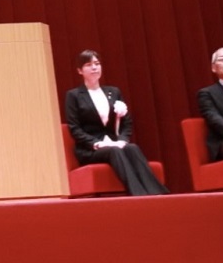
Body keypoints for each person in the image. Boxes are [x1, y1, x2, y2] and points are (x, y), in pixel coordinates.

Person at [64, 50, 168, 196]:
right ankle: (138, 194)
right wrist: (97, 143)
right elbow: (75, 128)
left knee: (131, 148)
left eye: (97, 64)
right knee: (114, 151)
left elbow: (127, 122)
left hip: (114, 143)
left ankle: (157, 192)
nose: (95, 67)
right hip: (90, 149)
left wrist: (123, 140)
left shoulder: (113, 92)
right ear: (80, 70)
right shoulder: (73, 95)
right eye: (89, 65)